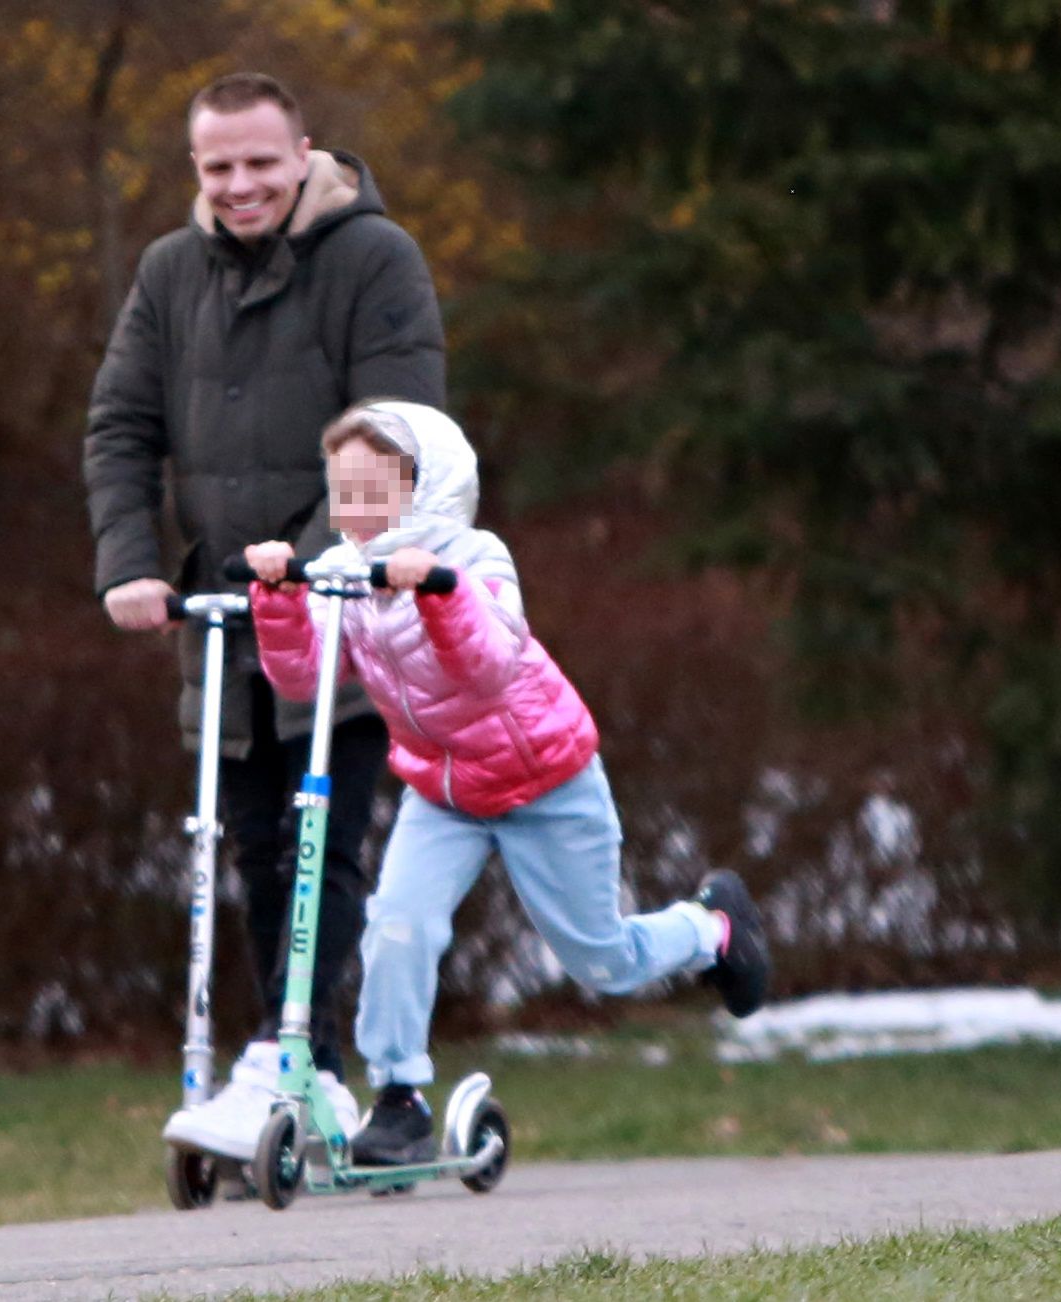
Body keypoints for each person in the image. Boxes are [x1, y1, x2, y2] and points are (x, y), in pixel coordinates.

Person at [243, 399, 771, 1166]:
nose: (348, 512)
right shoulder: (346, 576)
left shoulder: (478, 559)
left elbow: (488, 666)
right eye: (339, 494)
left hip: (545, 783)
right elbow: (303, 677)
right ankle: (399, 1099)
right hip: (446, 795)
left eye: (367, 492)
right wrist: (280, 597)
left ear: (422, 486)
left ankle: (711, 929)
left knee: (602, 961)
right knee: (397, 925)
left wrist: (438, 593)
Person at [84, 72, 445, 1161]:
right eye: (217, 167)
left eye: (258, 163)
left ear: (302, 155)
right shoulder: (168, 272)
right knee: (250, 847)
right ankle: (292, 1065)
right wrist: (128, 563)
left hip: (344, 612)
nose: (239, 185)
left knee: (320, 840)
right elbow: (121, 425)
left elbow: (399, 433)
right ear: (196, 168)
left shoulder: (375, 260)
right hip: (224, 621)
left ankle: (304, 1059)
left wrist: (318, 565)